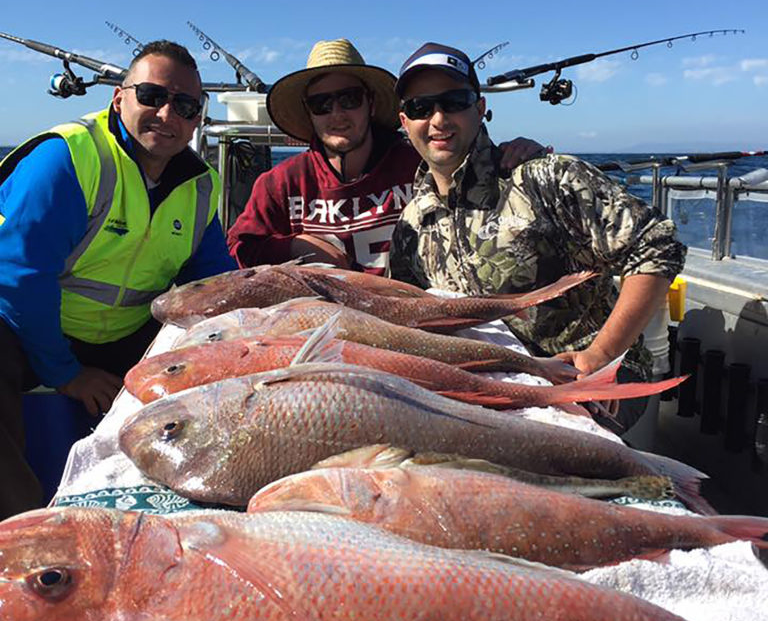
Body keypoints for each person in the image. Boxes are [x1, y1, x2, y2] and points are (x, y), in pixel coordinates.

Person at [389, 42, 686, 432]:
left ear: (479, 109)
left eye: (454, 101)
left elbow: (656, 243)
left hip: (590, 379)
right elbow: (412, 321)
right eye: (420, 108)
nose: (439, 119)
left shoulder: (542, 178)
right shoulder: (411, 225)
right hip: (491, 389)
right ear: (404, 121)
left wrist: (602, 355)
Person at [0, 40, 236, 515]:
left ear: (196, 119)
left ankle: (185, 517)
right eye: (151, 95)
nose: (167, 114)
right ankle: (24, 534)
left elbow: (217, 289)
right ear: (118, 97)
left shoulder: (200, 187)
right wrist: (67, 375)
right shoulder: (66, 160)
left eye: (185, 105)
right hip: (23, 328)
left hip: (126, 334)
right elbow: (20, 281)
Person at [227, 38, 547, 274]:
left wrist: (516, 154)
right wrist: (293, 247)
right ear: (309, 114)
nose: (337, 114)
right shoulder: (281, 183)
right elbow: (239, 248)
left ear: (370, 103)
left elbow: (466, 160)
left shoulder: (418, 164)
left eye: (349, 99)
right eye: (321, 104)